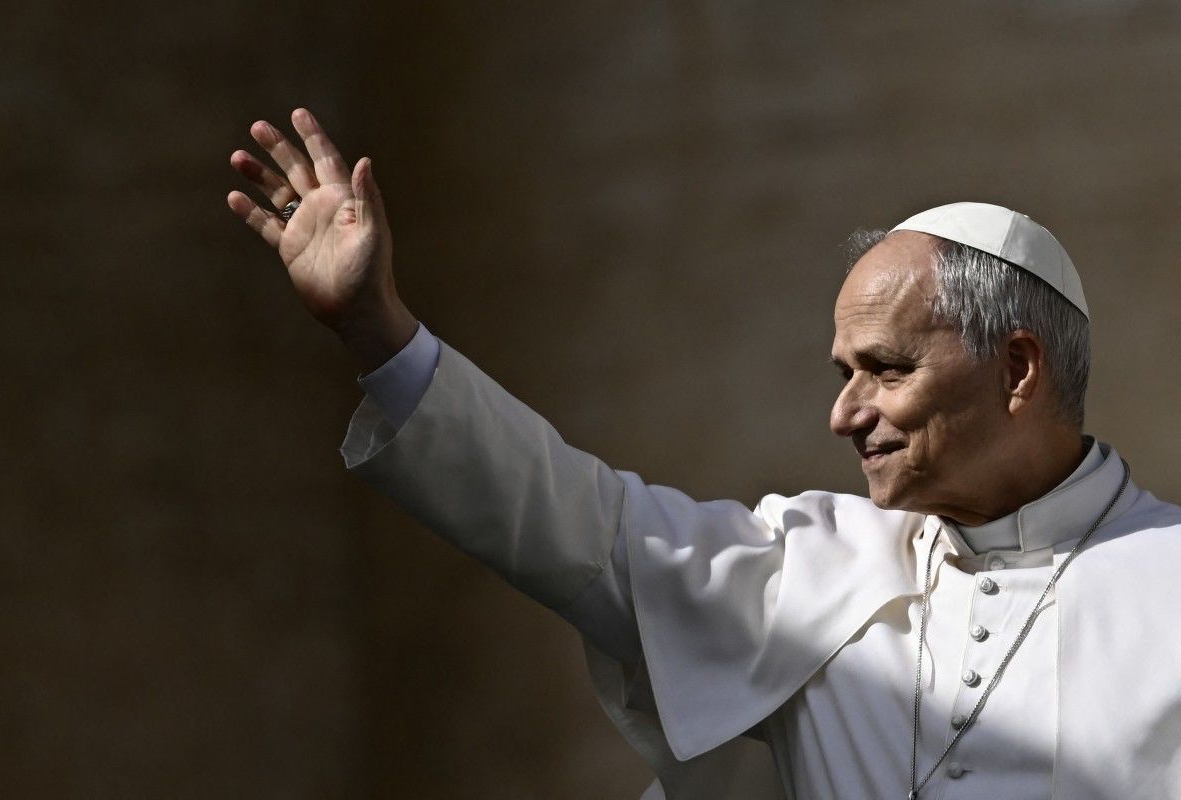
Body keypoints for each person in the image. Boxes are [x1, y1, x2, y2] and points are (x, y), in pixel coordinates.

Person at [227, 109, 1181, 800]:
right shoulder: (810, 567)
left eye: (886, 370)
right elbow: (577, 526)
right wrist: (380, 331)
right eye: (843, 372)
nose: (845, 414)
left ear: (1017, 369)